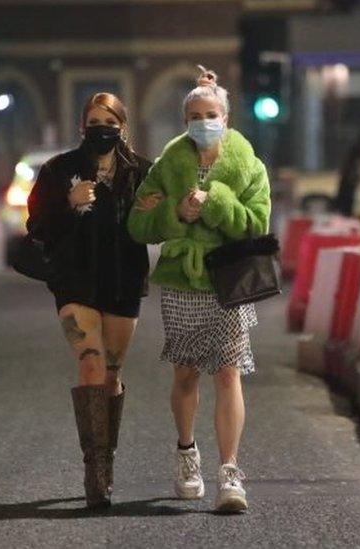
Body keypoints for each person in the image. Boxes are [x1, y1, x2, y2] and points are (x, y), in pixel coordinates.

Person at [127, 67, 270, 513]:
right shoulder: (169, 163)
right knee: (185, 372)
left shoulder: (247, 164)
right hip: (182, 283)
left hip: (227, 280)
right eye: (194, 114)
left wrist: (218, 203)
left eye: (211, 113)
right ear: (184, 119)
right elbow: (138, 222)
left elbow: (257, 225)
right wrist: (176, 212)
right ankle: (187, 453)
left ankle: (230, 471)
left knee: (228, 372)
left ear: (225, 118)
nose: (203, 121)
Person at [26, 92, 152, 508]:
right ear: (82, 127)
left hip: (122, 283)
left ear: (122, 127)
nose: (102, 129)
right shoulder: (59, 170)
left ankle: (107, 459)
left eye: (109, 121)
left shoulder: (142, 172)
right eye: (94, 121)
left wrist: (164, 210)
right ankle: (94, 470)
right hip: (74, 283)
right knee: (91, 361)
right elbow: (37, 225)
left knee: (112, 373)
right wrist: (68, 202)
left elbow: (158, 227)